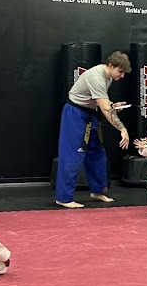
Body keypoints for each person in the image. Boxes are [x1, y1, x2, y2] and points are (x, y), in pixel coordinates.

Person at [55, 51, 132, 209]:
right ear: (110, 65)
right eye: (120, 71)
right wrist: (122, 129)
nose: (122, 76)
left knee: (97, 151)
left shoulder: (108, 76)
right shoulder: (96, 77)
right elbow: (105, 109)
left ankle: (97, 190)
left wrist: (112, 105)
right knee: (73, 153)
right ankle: (63, 197)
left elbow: (102, 101)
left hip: (90, 113)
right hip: (75, 113)